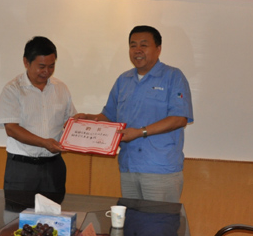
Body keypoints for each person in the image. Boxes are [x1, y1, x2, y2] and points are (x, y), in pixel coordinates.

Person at [75, 25, 193, 203]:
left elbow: (179, 118)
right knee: (132, 219)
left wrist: (140, 132)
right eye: (133, 45)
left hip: (159, 169)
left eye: (144, 45)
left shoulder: (173, 76)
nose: (137, 50)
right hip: (129, 167)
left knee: (159, 220)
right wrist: (88, 119)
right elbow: (109, 116)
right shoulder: (124, 80)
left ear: (158, 49)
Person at [0, 36, 76, 201]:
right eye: (41, 66)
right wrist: (44, 143)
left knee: (53, 214)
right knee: (17, 214)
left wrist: (82, 125)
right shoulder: (12, 89)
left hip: (54, 166)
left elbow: (70, 122)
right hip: (22, 167)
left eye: (51, 66)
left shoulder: (61, 88)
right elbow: (11, 129)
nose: (46, 71)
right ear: (26, 62)